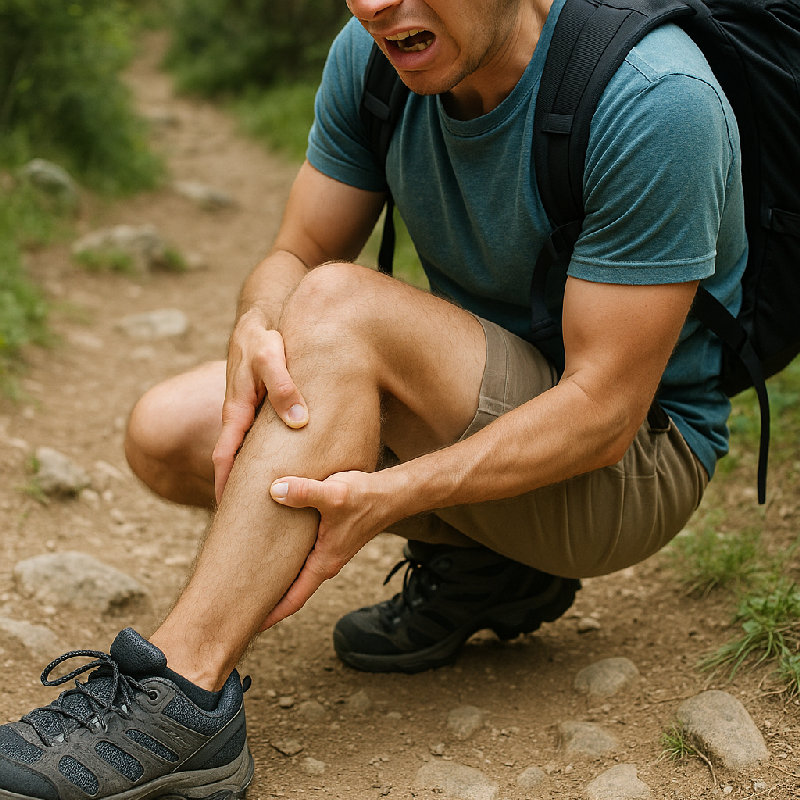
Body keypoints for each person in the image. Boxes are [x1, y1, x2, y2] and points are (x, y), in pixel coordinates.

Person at [0, 0, 746, 797]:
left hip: (632, 468)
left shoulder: (655, 96)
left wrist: (394, 495)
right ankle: (488, 567)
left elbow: (604, 410)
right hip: (491, 406)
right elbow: (300, 249)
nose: (375, 5)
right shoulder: (375, 56)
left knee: (341, 309)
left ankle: (182, 694)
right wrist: (257, 315)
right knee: (168, 431)